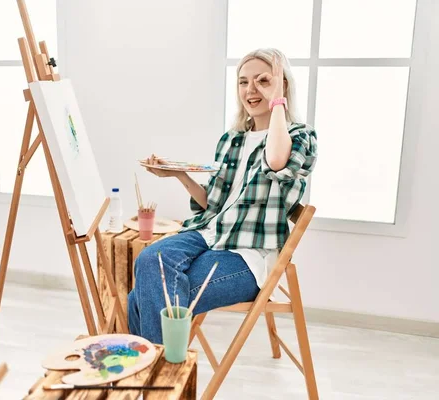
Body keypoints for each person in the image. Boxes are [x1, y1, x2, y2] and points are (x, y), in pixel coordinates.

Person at [127, 48, 318, 344]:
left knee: (142, 298)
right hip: (210, 233)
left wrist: (277, 100)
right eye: (243, 82)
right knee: (150, 259)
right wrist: (179, 174)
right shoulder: (232, 139)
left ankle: (158, 381)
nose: (250, 90)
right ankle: (162, 376)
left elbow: (277, 161)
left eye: (263, 81)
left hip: (249, 253)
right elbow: (213, 205)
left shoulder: (300, 138)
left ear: (282, 86)